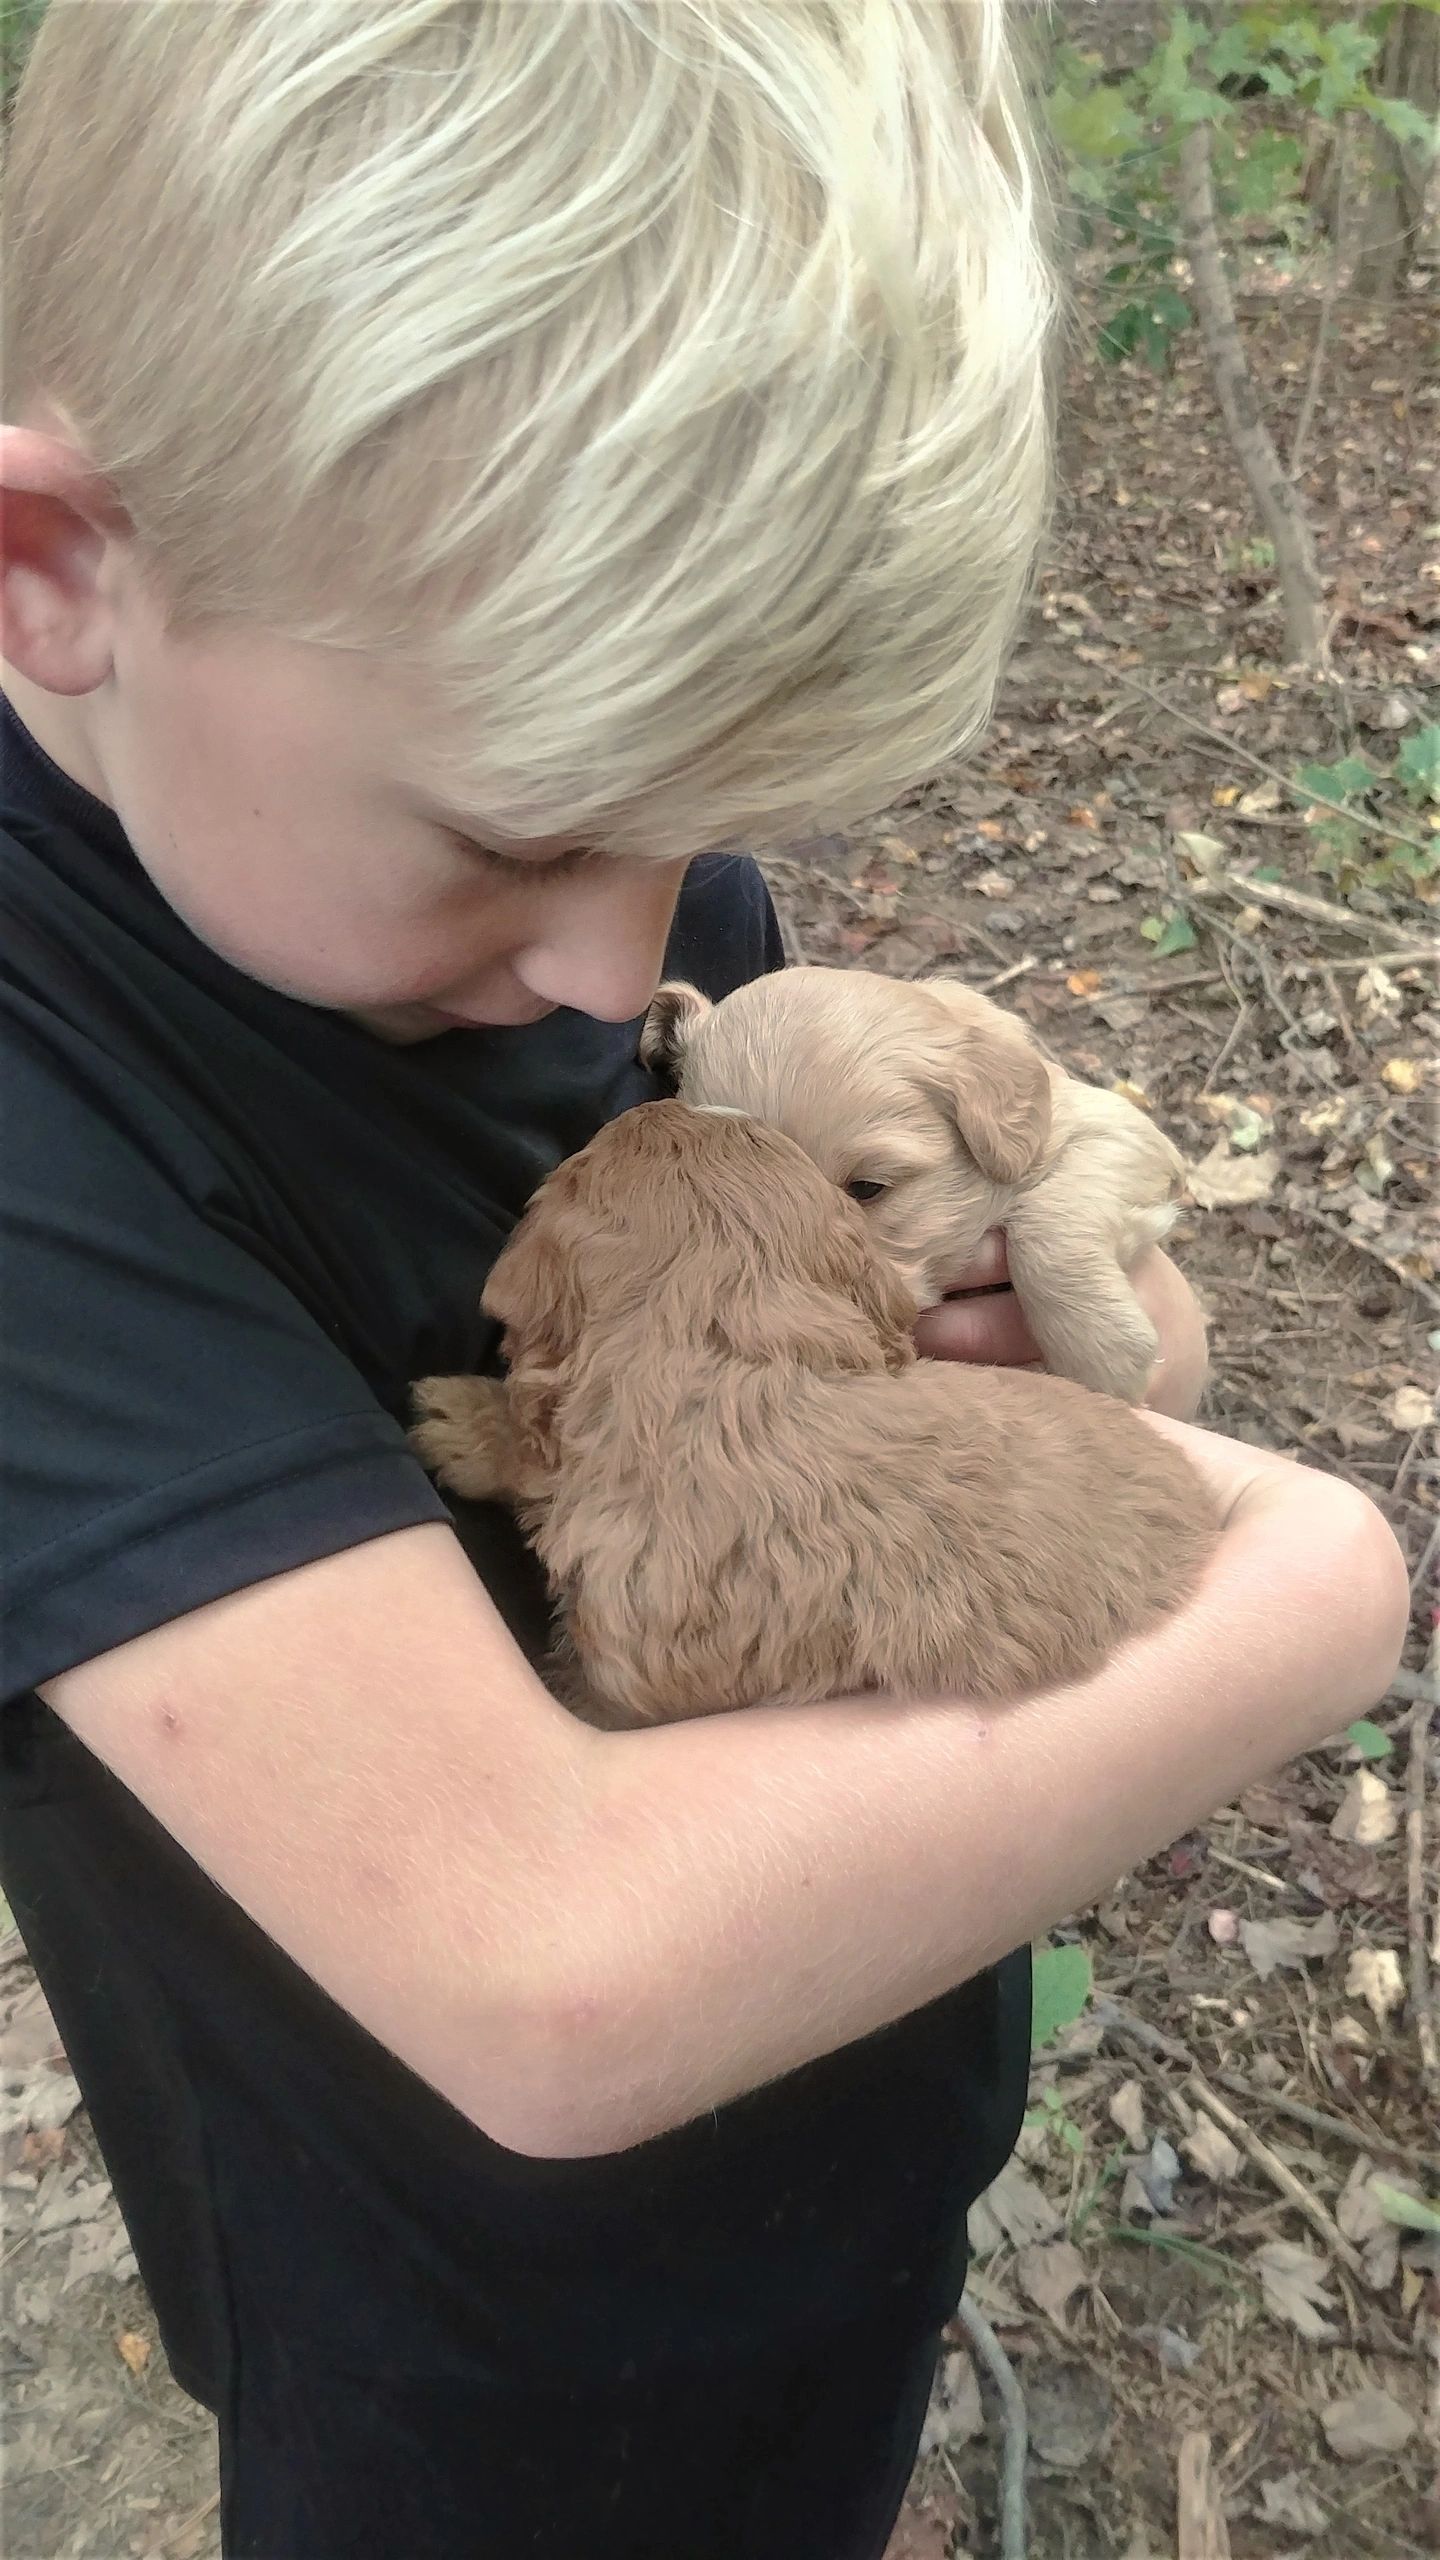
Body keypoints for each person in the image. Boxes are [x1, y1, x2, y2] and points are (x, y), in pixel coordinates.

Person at [0, 8, 1407, 2557]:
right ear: (58, 566)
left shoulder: (589, 906)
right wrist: (1311, 1565)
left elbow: (988, 1329)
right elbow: (553, 1975)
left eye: (695, 831)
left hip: (857, 2086)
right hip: (435, 2315)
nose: (619, 970)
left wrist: (1075, 1342)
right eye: (525, 832)